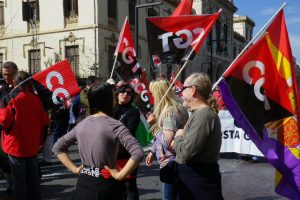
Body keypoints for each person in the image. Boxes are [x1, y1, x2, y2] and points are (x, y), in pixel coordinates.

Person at [52, 81, 144, 200]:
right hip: (106, 184)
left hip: (83, 184)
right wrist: (120, 175)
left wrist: (74, 169)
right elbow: (138, 152)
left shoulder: (82, 124)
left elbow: (57, 147)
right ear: (110, 100)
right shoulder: (115, 125)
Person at [173, 72, 223, 200]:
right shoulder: (199, 113)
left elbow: (185, 152)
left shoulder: (203, 115)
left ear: (193, 90)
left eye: (183, 88)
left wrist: (178, 137)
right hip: (195, 181)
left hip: (200, 184)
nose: (181, 93)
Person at [0, 71, 49, 200]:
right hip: (32, 146)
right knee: (34, 182)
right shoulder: (36, 99)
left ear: (16, 82)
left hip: (15, 146)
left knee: (18, 182)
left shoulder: (11, 99)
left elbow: (3, 121)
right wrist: (41, 142)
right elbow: (44, 122)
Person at [145, 79, 188, 200]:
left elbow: (166, 141)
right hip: (175, 160)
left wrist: (153, 125)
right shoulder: (175, 107)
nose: (151, 96)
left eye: (152, 93)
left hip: (171, 162)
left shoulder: (169, 112)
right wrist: (153, 150)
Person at [114, 81, 141, 200]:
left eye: (129, 93)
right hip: (111, 155)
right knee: (114, 186)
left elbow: (129, 131)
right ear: (116, 94)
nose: (125, 94)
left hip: (126, 154)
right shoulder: (110, 110)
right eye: (122, 92)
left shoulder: (133, 111)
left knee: (129, 185)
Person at [0, 61, 18, 199]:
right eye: (4, 74)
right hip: (4, 134)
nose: (6, 77)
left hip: (19, 134)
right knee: (6, 164)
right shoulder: (4, 89)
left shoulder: (22, 89)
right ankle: (11, 187)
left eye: (9, 74)